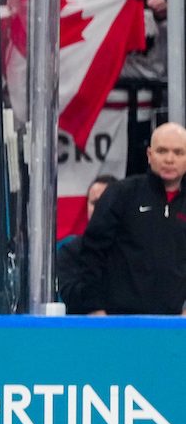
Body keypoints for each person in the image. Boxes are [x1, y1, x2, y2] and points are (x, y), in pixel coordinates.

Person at [77, 122, 186, 315]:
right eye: (162, 151)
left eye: (178, 153)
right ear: (149, 155)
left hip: (175, 324)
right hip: (120, 322)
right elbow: (92, 252)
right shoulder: (121, 194)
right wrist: (94, 307)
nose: (170, 159)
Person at [57, 175, 116, 315]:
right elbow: (70, 295)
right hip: (83, 330)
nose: (99, 209)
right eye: (95, 203)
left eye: (105, 202)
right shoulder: (69, 251)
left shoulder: (135, 250)